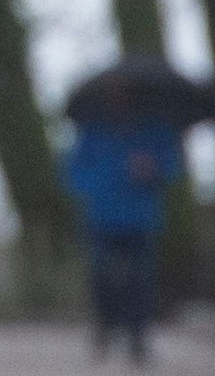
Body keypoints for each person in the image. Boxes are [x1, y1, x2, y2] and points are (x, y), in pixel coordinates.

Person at [64, 114, 186, 361]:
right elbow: (73, 174)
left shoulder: (155, 131)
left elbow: (173, 168)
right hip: (102, 216)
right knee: (102, 275)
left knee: (141, 278)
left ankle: (137, 334)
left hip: (140, 217)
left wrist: (153, 168)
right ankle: (105, 326)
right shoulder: (93, 132)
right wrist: (100, 184)